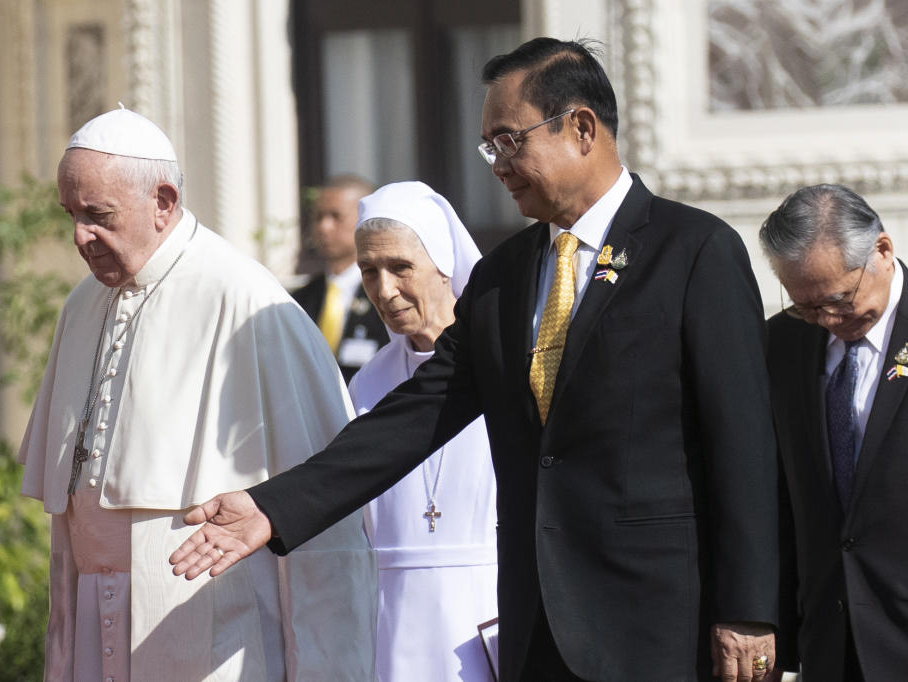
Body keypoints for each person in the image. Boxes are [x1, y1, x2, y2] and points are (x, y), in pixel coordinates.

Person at [171, 37, 781, 682]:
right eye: (489, 146)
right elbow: (417, 412)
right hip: (535, 622)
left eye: (510, 140)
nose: (497, 163)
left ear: (581, 128)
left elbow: (742, 443)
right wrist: (274, 506)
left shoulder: (692, 250)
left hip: (660, 620)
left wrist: (747, 609)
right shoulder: (505, 275)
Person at [18, 107, 377, 681]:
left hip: (214, 642)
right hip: (93, 629)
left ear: (163, 201)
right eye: (72, 215)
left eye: (98, 215)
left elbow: (324, 523)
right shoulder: (81, 304)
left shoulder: (248, 303)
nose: (80, 237)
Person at [349, 181, 497, 681]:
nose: (383, 290)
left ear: (444, 264)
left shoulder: (505, 363)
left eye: (400, 267)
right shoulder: (367, 382)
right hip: (390, 623)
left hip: (491, 612)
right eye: (368, 271)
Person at [761, 184, 908, 682]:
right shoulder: (781, 345)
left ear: (882, 252)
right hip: (830, 644)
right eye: (805, 306)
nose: (826, 320)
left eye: (838, 299)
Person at [293, 175, 389, 382]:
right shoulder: (298, 300)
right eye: (318, 217)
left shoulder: (388, 294)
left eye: (336, 216)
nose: (324, 227)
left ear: (366, 219)